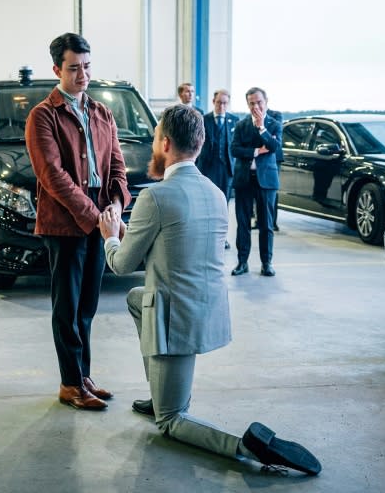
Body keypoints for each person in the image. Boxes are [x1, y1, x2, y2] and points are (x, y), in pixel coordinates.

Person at [98, 104, 321, 476]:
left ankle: (246, 447)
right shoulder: (217, 193)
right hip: (208, 312)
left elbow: (121, 265)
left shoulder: (155, 196)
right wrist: (130, 234)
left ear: (164, 143)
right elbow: (177, 245)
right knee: (137, 300)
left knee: (171, 420)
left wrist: (110, 237)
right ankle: (159, 392)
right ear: (200, 144)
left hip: (176, 322)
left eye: (155, 138)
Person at [25, 32, 131, 410]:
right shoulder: (43, 115)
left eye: (87, 66)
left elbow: (117, 165)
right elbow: (52, 176)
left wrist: (116, 206)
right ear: (57, 69)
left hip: (101, 219)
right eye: (74, 68)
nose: (83, 74)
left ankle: (83, 375)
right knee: (67, 307)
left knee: (87, 306)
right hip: (66, 225)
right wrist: (94, 217)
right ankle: (70, 384)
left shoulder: (102, 112)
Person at [231, 87, 282, 277]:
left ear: (266, 101)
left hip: (266, 180)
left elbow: (275, 147)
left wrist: (262, 127)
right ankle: (242, 262)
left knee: (266, 224)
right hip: (244, 178)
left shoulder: (274, 124)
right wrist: (255, 151)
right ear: (247, 104)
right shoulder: (242, 124)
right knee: (242, 223)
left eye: (259, 102)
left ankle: (266, 263)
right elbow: (234, 149)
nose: (256, 106)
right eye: (252, 103)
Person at [197, 89, 239, 249]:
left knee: (224, 205)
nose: (222, 105)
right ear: (213, 102)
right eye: (219, 102)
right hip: (207, 169)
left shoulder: (234, 120)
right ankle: (206, 237)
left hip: (226, 170)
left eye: (225, 103)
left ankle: (222, 238)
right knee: (207, 205)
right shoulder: (203, 119)